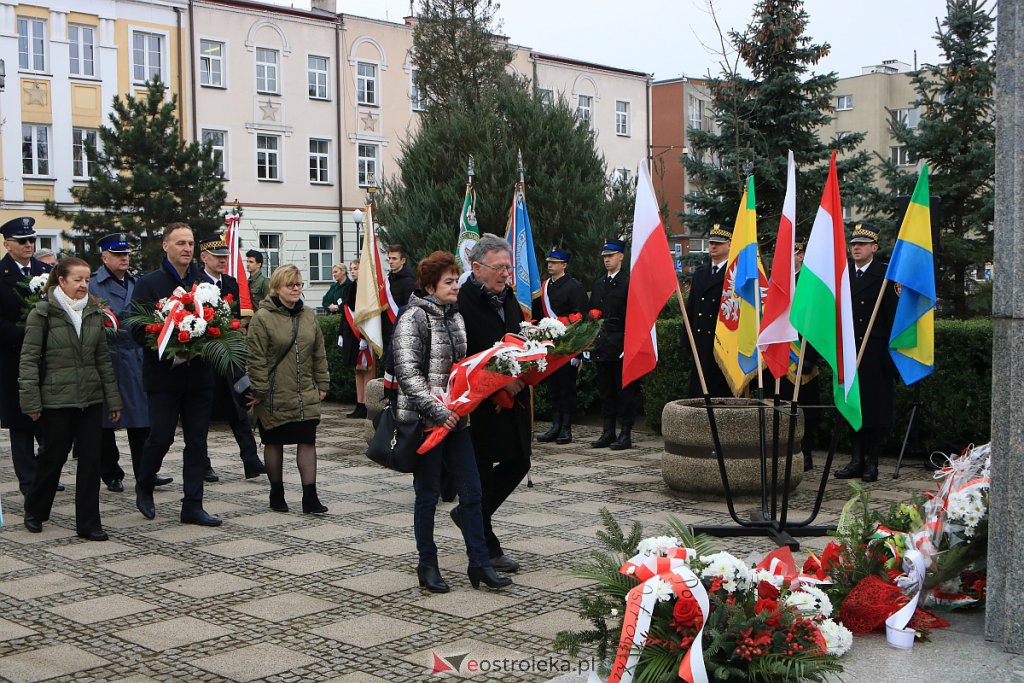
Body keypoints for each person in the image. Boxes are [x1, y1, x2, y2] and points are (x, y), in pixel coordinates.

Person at [393, 251, 511, 592]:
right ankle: (427, 564)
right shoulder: (413, 317)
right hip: (426, 423)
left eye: (455, 280)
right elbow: (407, 373)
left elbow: (463, 369)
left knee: (472, 492)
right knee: (428, 495)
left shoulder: (455, 317)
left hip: (457, 420)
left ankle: (480, 564)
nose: (455, 287)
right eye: (448, 281)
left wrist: (471, 396)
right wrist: (440, 411)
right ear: (430, 286)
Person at [20, 257, 122, 540]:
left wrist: (112, 399)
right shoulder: (43, 313)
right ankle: (36, 509)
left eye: (87, 280)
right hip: (56, 399)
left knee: (91, 460)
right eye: (77, 279)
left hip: (90, 398)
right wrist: (31, 402)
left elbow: (102, 359)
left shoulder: (92, 311)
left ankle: (89, 523)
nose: (83, 285)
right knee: (53, 457)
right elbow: (28, 360)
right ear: (61, 281)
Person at [132, 222, 222, 527]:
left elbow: (220, 321)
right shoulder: (149, 283)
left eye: (190, 243)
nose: (187, 248)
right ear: (166, 246)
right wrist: (163, 335)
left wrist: (208, 336)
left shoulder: (203, 284)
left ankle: (193, 505)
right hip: (163, 377)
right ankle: (144, 483)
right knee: (161, 436)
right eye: (180, 242)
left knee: (197, 442)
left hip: (198, 377)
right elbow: (133, 327)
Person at [455, 233, 529, 574]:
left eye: (508, 268)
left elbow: (516, 342)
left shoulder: (509, 297)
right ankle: (487, 548)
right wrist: (499, 380)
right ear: (476, 267)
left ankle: (469, 517)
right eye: (498, 268)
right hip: (479, 405)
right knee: (481, 474)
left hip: (513, 400)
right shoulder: (462, 302)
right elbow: (464, 357)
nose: (505, 274)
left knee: (519, 462)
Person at [90, 233, 172, 492]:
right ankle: (111, 472)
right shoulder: (94, 285)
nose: (124, 258)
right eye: (117, 254)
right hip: (109, 358)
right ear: (104, 257)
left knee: (142, 422)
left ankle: (146, 471)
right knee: (106, 423)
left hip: (136, 358)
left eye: (126, 254)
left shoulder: (138, 282)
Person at [246, 264, 331, 514]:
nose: (295, 289)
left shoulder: (308, 315)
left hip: (304, 391)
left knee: (307, 440)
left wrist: (322, 382)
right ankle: (277, 492)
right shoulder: (262, 318)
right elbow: (256, 358)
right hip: (273, 393)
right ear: (276, 287)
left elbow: (319, 352)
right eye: (290, 285)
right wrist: (260, 390)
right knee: (274, 442)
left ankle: (310, 497)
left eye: (298, 284)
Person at [200, 236, 267, 481]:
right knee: (202, 414)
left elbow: (237, 314)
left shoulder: (230, 282)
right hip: (206, 356)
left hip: (230, 357)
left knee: (239, 408)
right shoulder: (195, 283)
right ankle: (203, 464)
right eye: (217, 257)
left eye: (224, 257)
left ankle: (251, 460)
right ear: (204, 258)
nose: (221, 261)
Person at [836, 224, 898, 483]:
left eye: (862, 244)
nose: (856, 248)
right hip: (851, 353)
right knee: (853, 407)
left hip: (875, 352)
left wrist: (889, 356)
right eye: (853, 244)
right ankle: (856, 458)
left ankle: (872, 462)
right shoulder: (843, 275)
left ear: (874, 248)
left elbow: (893, 318)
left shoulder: (885, 277)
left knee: (875, 410)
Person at [0, 217, 53, 495]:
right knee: (21, 426)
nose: (29, 244)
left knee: (50, 425)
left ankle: (47, 475)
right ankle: (29, 483)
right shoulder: (1, 274)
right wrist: (28, 335)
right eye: (22, 241)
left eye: (32, 239)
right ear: (7, 244)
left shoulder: (47, 271)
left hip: (48, 361)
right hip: (14, 361)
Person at [776, 239, 822, 472]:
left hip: (803, 356)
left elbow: (818, 323)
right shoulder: (778, 281)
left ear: (801, 256)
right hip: (781, 355)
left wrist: (811, 357)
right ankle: (785, 450)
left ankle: (806, 452)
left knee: (806, 410)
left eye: (792, 252)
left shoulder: (811, 282)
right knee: (782, 407)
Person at [533, 247, 588, 444]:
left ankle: (566, 427)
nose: (550, 265)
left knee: (567, 388)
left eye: (554, 262)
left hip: (568, 345)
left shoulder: (574, 286)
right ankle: (555, 426)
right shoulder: (545, 287)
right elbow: (538, 315)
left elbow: (581, 318)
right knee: (553, 388)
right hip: (550, 345)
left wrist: (578, 353)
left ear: (564, 265)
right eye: (549, 262)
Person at [588, 238, 638, 450]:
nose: (607, 260)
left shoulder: (629, 281)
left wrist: (630, 344)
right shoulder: (600, 284)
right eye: (604, 257)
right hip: (603, 345)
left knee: (625, 392)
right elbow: (592, 316)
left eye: (610, 256)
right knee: (606, 391)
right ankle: (608, 431)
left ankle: (625, 433)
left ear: (621, 257)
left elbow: (635, 316)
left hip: (622, 345)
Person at [681, 225, 733, 399]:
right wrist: (686, 341)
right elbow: (691, 309)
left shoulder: (733, 274)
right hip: (700, 341)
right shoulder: (700, 273)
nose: (713, 246)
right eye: (711, 242)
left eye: (718, 243)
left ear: (729, 245)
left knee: (718, 393)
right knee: (698, 394)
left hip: (721, 344)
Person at [340, 259, 373, 419]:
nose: (353, 271)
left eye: (356, 268)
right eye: (351, 269)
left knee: (366, 370)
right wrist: (341, 333)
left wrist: (365, 337)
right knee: (357, 370)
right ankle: (359, 404)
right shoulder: (351, 287)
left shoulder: (368, 288)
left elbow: (369, 314)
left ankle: (367, 404)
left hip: (364, 335)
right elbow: (345, 311)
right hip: (352, 335)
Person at [382, 244, 416, 350]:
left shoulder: (409, 281)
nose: (391, 261)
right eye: (389, 258)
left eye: (394, 258)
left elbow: (409, 308)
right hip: (386, 332)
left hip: (401, 332)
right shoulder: (387, 281)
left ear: (402, 261)